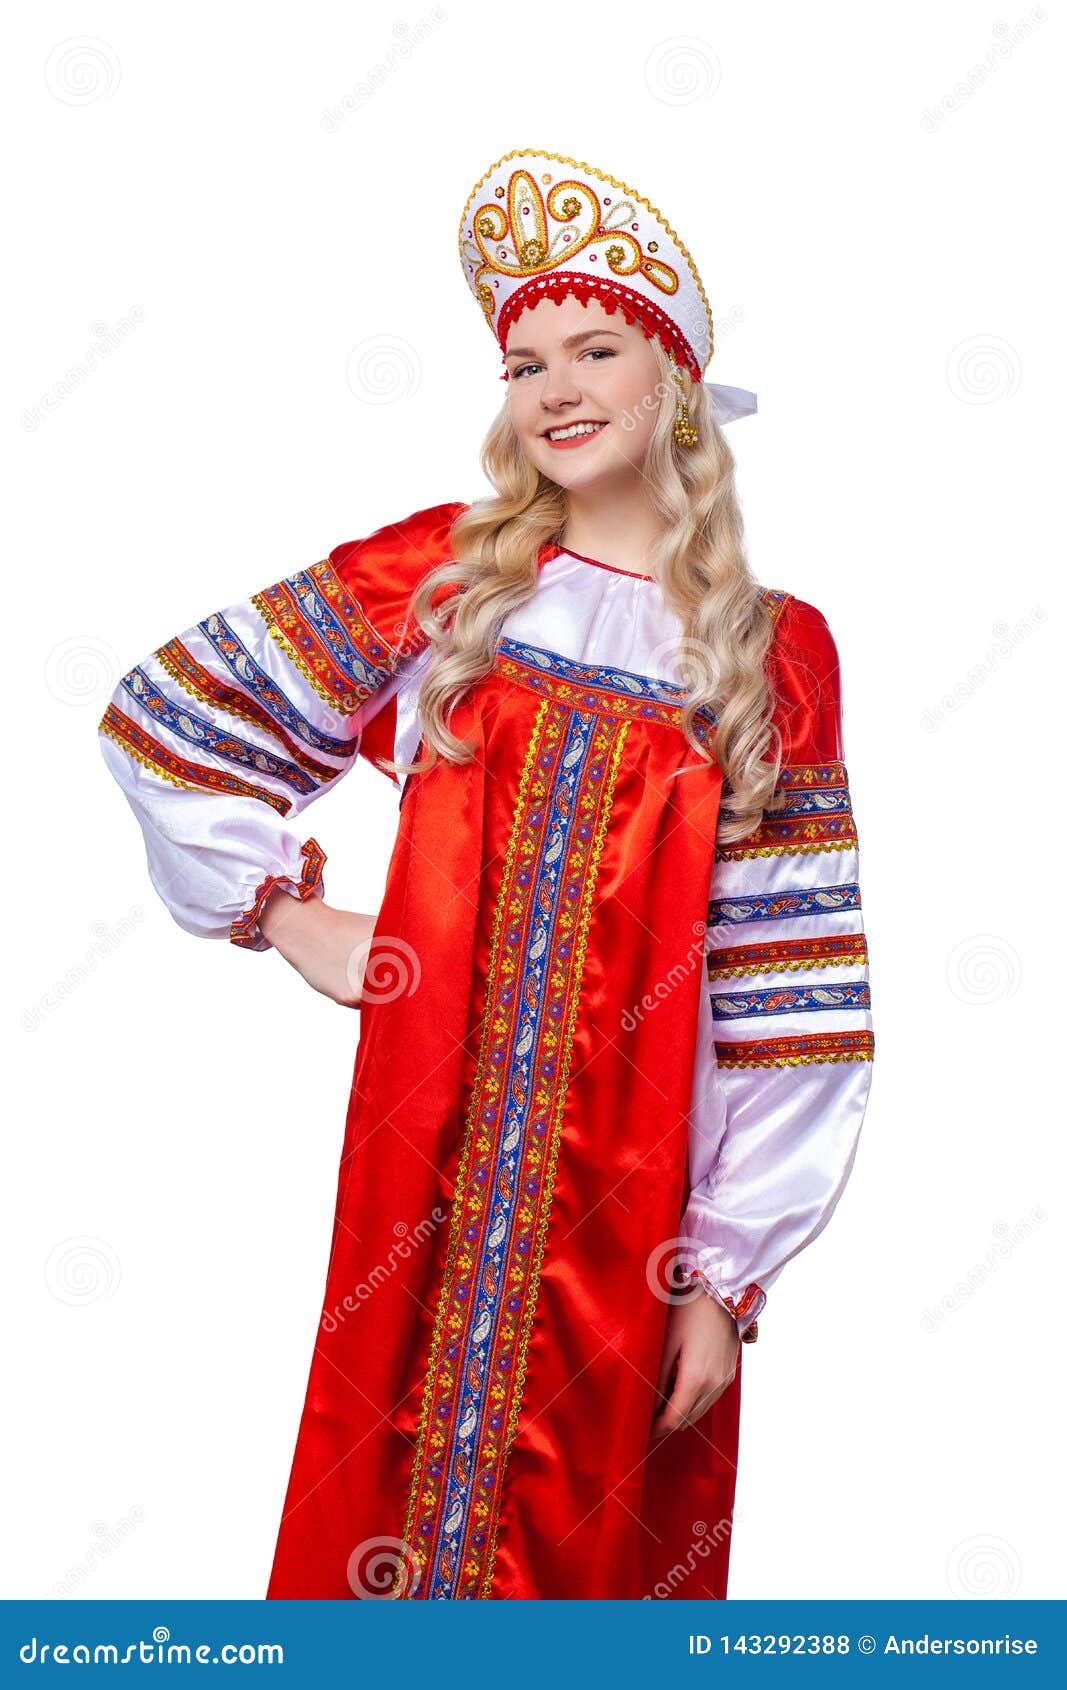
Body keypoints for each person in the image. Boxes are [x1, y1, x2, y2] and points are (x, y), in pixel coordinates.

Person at [97, 147, 874, 1601]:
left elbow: (795, 991)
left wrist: (726, 1274)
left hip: (633, 1219)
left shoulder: (775, 654)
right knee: (376, 1510)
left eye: (596, 348)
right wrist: (283, 913)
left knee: (596, 1550)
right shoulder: (449, 580)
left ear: (678, 384)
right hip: (422, 1169)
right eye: (526, 363)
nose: (555, 388)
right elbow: (170, 714)